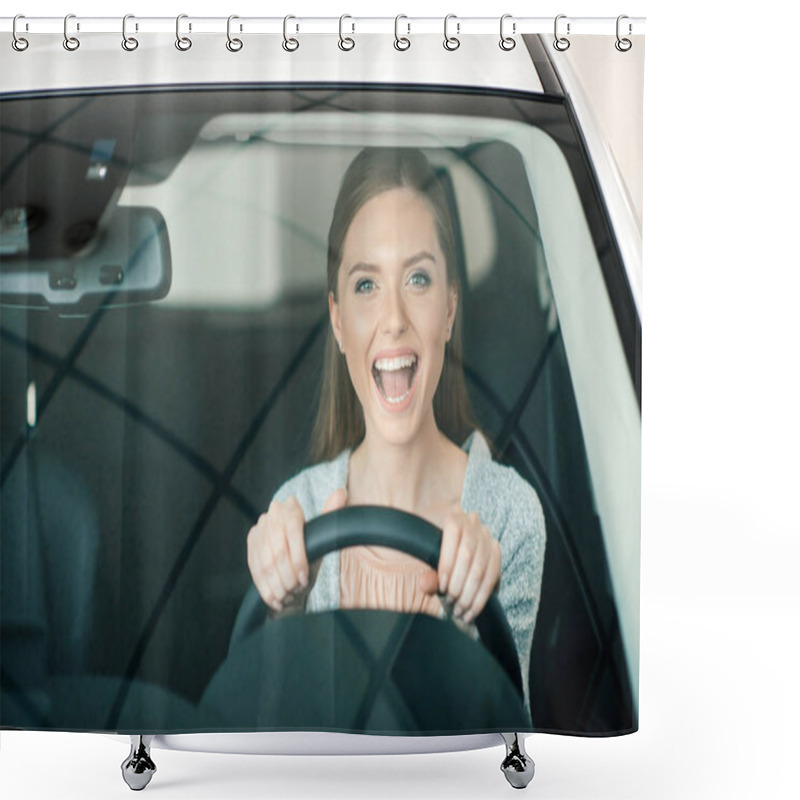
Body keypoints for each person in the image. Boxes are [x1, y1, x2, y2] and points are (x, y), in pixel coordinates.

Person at [246, 147, 545, 713]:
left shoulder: (509, 516)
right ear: (337, 320)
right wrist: (285, 620)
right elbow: (274, 744)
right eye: (366, 285)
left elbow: (505, 743)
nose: (393, 319)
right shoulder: (297, 510)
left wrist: (471, 628)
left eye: (418, 278)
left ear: (450, 308)